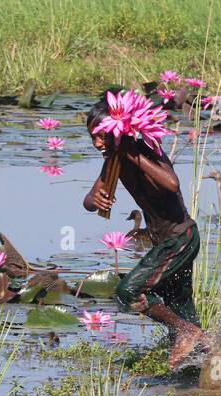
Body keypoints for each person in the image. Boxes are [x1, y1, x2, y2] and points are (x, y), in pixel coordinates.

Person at [82, 95, 206, 368]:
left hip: (180, 239)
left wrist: (129, 153)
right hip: (166, 243)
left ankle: (186, 332)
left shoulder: (146, 149)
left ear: (120, 131)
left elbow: (171, 184)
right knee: (180, 309)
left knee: (128, 291)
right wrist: (97, 200)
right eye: (93, 137)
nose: (97, 143)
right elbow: (89, 200)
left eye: (102, 135)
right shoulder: (114, 160)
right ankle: (216, 354)